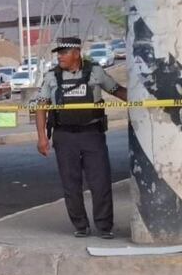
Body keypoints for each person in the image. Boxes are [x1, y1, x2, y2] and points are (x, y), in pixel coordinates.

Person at [35, 36, 127, 239]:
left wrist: (145, 102)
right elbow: (41, 106)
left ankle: (104, 226)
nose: (59, 57)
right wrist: (42, 137)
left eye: (64, 53)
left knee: (100, 182)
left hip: (92, 134)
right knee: (71, 184)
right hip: (64, 135)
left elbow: (118, 90)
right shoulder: (51, 77)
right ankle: (80, 226)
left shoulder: (95, 72)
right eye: (58, 53)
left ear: (76, 53)